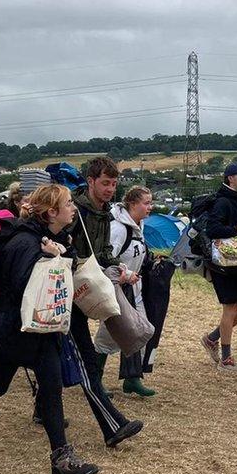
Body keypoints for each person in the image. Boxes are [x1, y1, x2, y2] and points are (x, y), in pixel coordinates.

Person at [0, 184, 99, 474]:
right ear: (51, 212)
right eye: (68, 204)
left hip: (34, 329)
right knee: (0, 386)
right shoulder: (25, 242)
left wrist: (59, 253)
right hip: (16, 330)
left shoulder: (51, 237)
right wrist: (49, 259)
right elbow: (21, 286)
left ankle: (59, 457)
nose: (73, 208)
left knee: (39, 387)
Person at [67, 157, 143, 446]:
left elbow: (104, 251)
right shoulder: (74, 210)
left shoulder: (105, 212)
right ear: (91, 181)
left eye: (114, 183)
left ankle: (41, 407)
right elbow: (61, 246)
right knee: (86, 360)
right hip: (68, 293)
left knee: (39, 362)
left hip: (83, 291)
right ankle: (113, 427)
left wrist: (118, 267)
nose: (111, 189)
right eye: (105, 183)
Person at [199, 163, 237, 373]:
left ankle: (211, 338)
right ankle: (226, 359)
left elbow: (234, 229)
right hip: (222, 264)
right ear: (230, 178)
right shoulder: (223, 201)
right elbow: (213, 229)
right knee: (230, 309)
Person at [106, 185, 156, 397]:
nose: (150, 207)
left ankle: (132, 378)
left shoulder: (138, 225)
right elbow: (107, 260)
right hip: (117, 288)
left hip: (133, 288)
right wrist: (124, 275)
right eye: (146, 203)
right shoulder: (119, 229)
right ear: (133, 204)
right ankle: (94, 379)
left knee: (137, 330)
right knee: (106, 337)